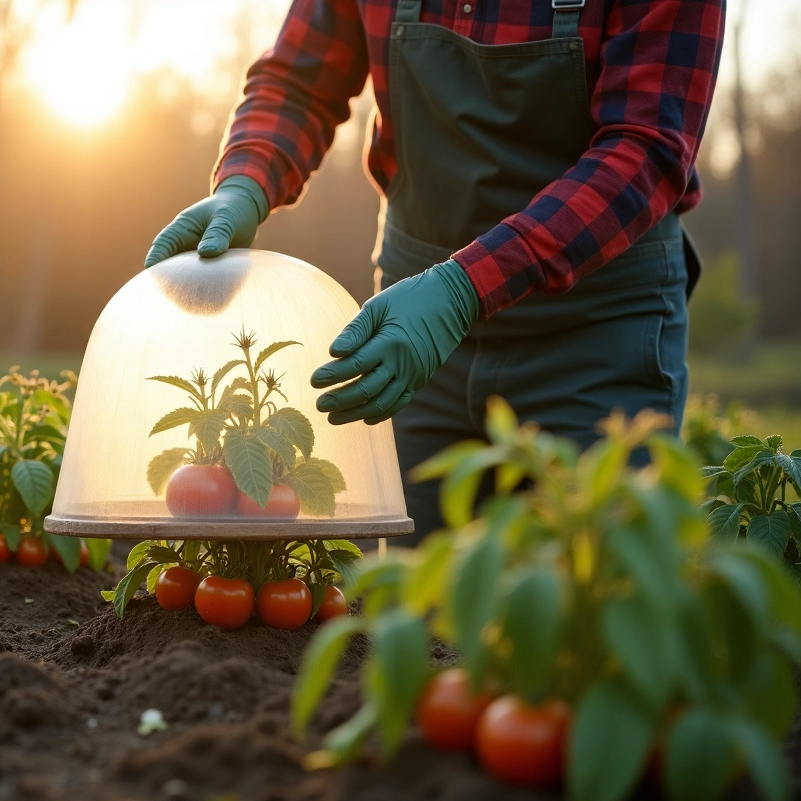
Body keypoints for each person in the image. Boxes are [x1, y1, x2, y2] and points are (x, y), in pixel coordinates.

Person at [142, 0, 725, 544]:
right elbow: (299, 81)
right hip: (413, 335)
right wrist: (246, 179)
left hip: (597, 334)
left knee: (590, 594)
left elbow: (646, 147)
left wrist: (464, 287)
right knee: (418, 611)